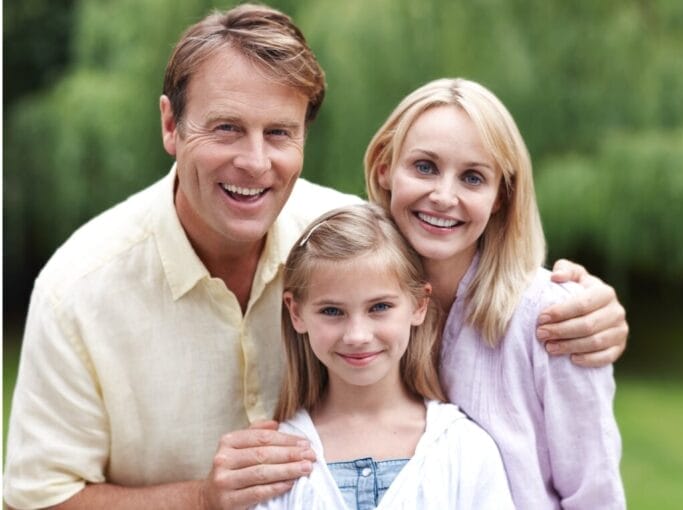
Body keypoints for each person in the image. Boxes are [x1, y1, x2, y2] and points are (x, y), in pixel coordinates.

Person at [4, 4, 626, 510]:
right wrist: (200, 498)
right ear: (171, 125)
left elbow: (450, 232)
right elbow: (37, 501)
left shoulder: (347, 235)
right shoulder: (77, 291)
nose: (254, 162)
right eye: (225, 128)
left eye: (279, 133)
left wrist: (584, 304)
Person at [365, 77, 626, 508]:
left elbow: (595, 495)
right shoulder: (356, 310)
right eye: (425, 167)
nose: (443, 196)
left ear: (501, 196)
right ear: (384, 169)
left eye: (472, 178)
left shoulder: (553, 319)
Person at [253, 203, 514, 509]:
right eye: (332, 311)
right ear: (296, 313)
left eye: (379, 307)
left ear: (418, 304)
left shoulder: (463, 448)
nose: (357, 335)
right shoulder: (278, 462)